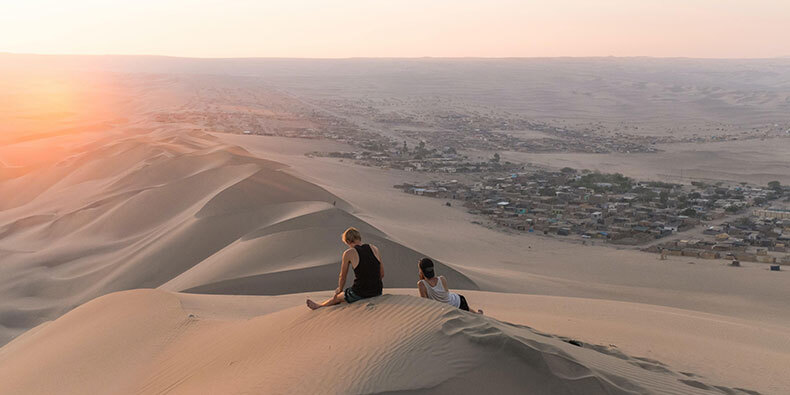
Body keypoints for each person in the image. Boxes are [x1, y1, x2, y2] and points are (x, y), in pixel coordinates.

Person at [306, 227, 384, 310]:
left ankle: (320, 306)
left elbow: (342, 276)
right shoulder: (374, 248)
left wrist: (340, 289)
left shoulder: (348, 253)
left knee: (338, 297)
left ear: (347, 241)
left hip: (360, 292)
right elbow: (382, 273)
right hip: (377, 291)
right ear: (359, 237)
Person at [417, 258, 482, 314]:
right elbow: (445, 295)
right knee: (468, 311)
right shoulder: (442, 278)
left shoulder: (421, 284)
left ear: (421, 270)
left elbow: (425, 303)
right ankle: (477, 314)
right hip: (458, 301)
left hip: (449, 307)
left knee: (468, 312)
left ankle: (477, 314)